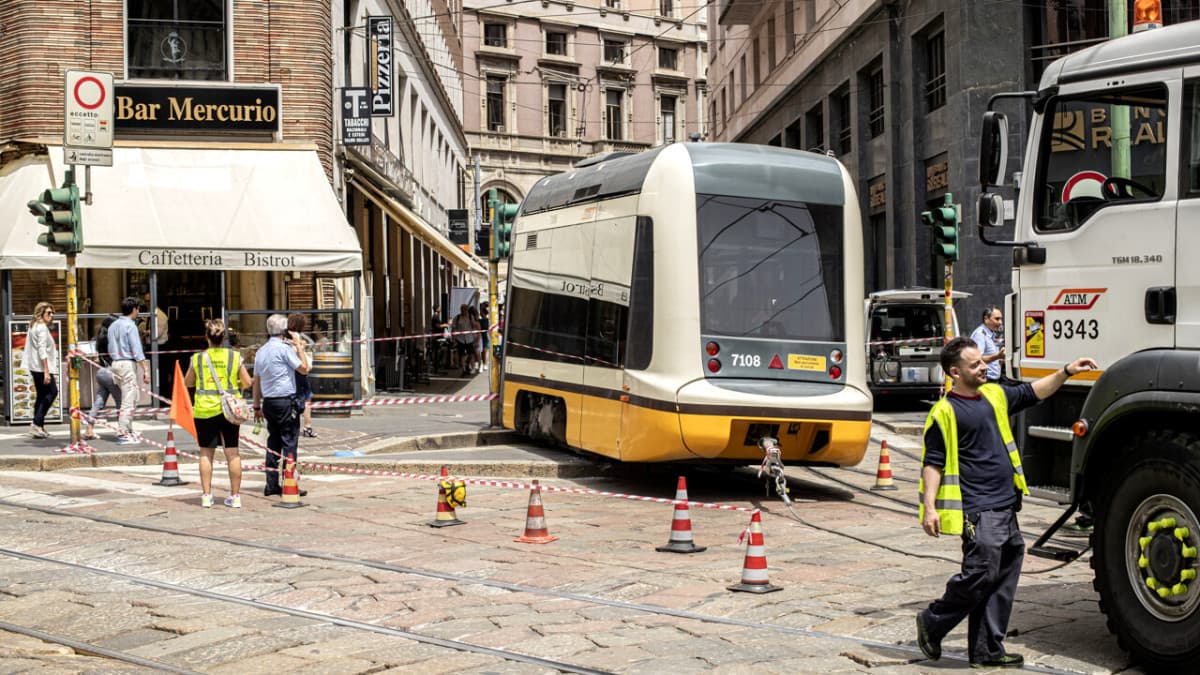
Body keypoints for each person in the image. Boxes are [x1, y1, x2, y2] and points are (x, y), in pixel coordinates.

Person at [915, 337, 1098, 669]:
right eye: (975, 364)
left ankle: (987, 651)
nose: (984, 366)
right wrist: (930, 508)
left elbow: (1033, 392)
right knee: (979, 576)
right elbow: (933, 464)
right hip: (978, 509)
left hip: (1006, 504)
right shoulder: (945, 412)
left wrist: (1067, 371)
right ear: (955, 372)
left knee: (1001, 581)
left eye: (983, 361)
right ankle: (934, 620)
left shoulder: (994, 395)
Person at [183, 319, 252, 508]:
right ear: (224, 338)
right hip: (230, 411)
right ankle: (235, 496)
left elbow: (188, 382)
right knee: (233, 453)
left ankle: (206, 495)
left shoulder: (198, 358)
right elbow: (247, 382)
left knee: (206, 453)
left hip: (205, 410)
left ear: (206, 337)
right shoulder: (234, 357)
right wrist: (233, 385)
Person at [252, 313, 311, 499]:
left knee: (273, 442)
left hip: (269, 402)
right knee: (289, 442)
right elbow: (304, 368)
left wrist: (256, 406)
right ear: (284, 330)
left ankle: (271, 483)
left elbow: (256, 381)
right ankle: (289, 483)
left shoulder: (261, 351)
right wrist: (299, 345)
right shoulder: (284, 349)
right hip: (286, 400)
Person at [108, 296, 152, 444]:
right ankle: (123, 432)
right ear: (134, 309)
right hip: (127, 364)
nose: (139, 311)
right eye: (138, 309)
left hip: (115, 363)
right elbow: (137, 350)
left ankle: (129, 429)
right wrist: (145, 369)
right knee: (129, 399)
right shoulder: (131, 326)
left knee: (131, 397)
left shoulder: (113, 325)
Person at [23, 302, 59, 439]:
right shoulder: (42, 328)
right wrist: (46, 371)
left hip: (34, 366)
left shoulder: (34, 326)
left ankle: (40, 427)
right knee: (52, 392)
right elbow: (42, 350)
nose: (51, 315)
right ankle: (36, 423)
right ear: (41, 313)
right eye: (48, 313)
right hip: (41, 367)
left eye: (52, 313)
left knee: (41, 395)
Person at [83, 314, 122, 441]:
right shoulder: (113, 339)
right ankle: (124, 430)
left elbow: (99, 358)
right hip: (112, 373)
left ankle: (89, 428)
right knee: (121, 402)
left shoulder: (99, 339)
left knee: (99, 402)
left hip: (101, 372)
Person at [288, 312, 318, 439]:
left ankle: (296, 425)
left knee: (293, 399)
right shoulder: (296, 336)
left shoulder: (284, 335)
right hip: (299, 372)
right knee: (306, 399)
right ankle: (307, 426)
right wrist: (302, 346)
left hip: (289, 373)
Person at [970, 306, 1006, 384]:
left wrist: (1000, 360)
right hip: (985, 380)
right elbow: (977, 359)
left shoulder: (991, 334)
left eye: (1001, 319)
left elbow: (990, 355)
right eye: (997, 319)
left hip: (993, 380)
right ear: (986, 319)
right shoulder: (980, 334)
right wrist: (998, 356)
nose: (1000, 322)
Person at [451, 303, 477, 375]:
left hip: (469, 338)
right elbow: (453, 328)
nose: (463, 311)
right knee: (462, 354)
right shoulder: (457, 317)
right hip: (460, 339)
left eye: (465, 309)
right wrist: (453, 339)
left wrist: (473, 322)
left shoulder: (470, 317)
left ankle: (470, 366)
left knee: (471, 354)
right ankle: (464, 369)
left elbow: (474, 326)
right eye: (462, 309)